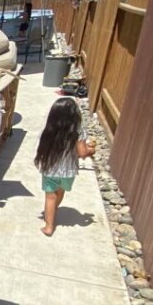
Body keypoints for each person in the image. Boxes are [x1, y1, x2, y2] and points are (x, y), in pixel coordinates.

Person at [34, 98, 96, 237]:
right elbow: (82, 153)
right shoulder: (78, 131)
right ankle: (53, 210)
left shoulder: (50, 128)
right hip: (67, 171)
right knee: (60, 193)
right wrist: (91, 150)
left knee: (50, 197)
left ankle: (49, 226)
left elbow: (41, 148)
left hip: (50, 169)